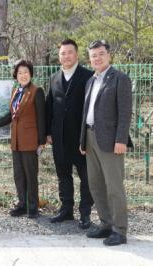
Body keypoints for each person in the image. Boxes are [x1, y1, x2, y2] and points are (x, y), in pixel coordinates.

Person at [80, 40, 132, 246]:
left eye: (101, 54)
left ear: (108, 55)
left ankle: (120, 230)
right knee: (96, 185)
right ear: (90, 59)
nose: (97, 58)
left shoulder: (120, 78)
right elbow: (86, 113)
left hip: (111, 141)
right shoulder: (90, 81)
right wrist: (82, 140)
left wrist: (121, 139)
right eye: (93, 56)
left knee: (114, 187)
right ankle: (106, 224)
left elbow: (125, 112)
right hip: (90, 138)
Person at [0, 60, 46, 218]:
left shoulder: (36, 91)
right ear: (16, 75)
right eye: (20, 73)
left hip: (30, 140)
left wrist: (41, 142)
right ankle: (22, 204)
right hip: (16, 141)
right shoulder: (16, 91)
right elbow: (11, 116)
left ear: (31, 73)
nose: (23, 75)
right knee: (19, 174)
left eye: (26, 72)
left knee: (30, 174)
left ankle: (33, 206)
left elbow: (42, 118)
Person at [46, 39, 94, 229]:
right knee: (63, 175)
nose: (66, 56)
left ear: (77, 54)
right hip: (59, 138)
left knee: (86, 177)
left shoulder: (88, 76)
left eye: (69, 52)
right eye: (62, 53)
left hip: (81, 137)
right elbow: (49, 106)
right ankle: (66, 210)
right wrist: (47, 133)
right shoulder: (54, 77)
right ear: (59, 57)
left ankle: (85, 214)